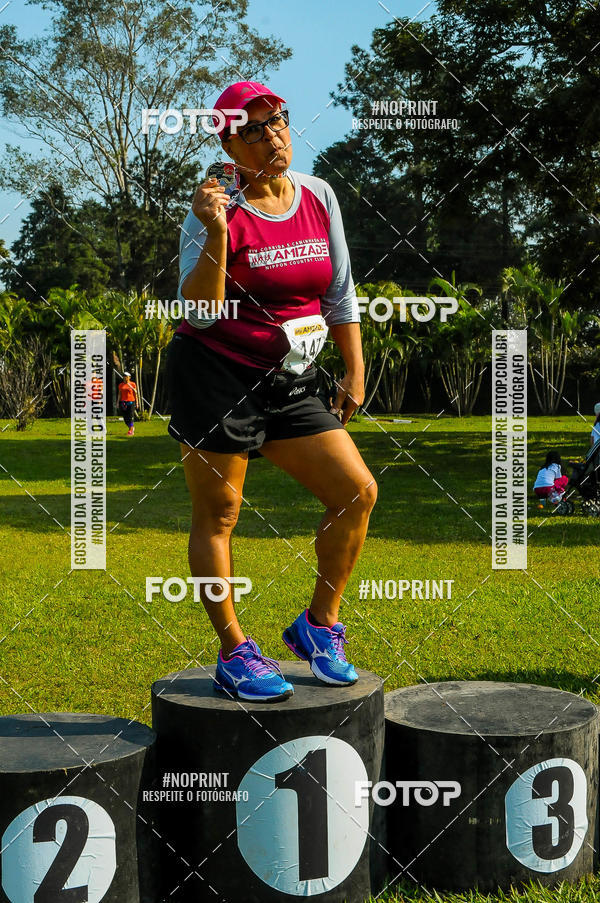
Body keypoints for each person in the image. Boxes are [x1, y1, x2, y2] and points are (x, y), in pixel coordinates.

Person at [166, 81, 377, 702]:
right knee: (219, 515)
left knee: (356, 492)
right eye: (253, 129)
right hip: (215, 373)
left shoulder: (318, 195)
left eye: (277, 121)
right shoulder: (213, 210)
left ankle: (319, 627)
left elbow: (338, 288)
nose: (272, 136)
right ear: (228, 142)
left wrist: (354, 367)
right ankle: (234, 652)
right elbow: (200, 311)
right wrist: (217, 231)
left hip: (290, 377)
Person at [117, 371, 138, 436]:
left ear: (129, 377)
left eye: (126, 376)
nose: (124, 377)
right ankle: (131, 428)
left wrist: (137, 403)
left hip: (131, 402)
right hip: (123, 402)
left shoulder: (133, 384)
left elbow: (135, 394)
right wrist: (117, 402)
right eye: (124, 376)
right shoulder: (121, 385)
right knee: (125, 418)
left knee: (130, 416)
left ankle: (131, 430)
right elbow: (119, 394)